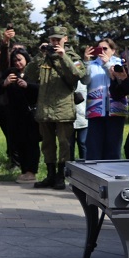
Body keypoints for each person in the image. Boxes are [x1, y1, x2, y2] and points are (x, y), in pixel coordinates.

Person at [24, 26, 85, 190]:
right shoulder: (44, 56)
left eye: (58, 39)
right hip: (45, 108)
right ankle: (50, 175)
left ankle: (61, 176)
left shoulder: (72, 56)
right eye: (53, 39)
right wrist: (39, 55)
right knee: (47, 144)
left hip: (63, 108)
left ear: (65, 39)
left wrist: (63, 56)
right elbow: (29, 74)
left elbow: (78, 74)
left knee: (64, 144)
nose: (55, 42)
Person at [0, 47, 40, 183]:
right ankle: (24, 170)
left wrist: (27, 85)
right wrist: (5, 83)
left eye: (19, 60)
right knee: (18, 142)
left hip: (30, 114)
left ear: (26, 59)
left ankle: (32, 171)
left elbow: (41, 89)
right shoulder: (10, 72)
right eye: (14, 60)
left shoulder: (34, 72)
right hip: (14, 114)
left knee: (31, 143)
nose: (17, 63)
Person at [84, 38, 127, 160]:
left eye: (105, 48)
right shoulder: (91, 65)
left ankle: (112, 171)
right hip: (95, 109)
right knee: (94, 147)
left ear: (113, 50)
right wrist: (86, 62)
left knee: (113, 147)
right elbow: (85, 81)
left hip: (116, 109)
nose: (102, 51)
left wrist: (107, 63)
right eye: (99, 49)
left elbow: (119, 79)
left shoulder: (119, 63)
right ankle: (93, 171)